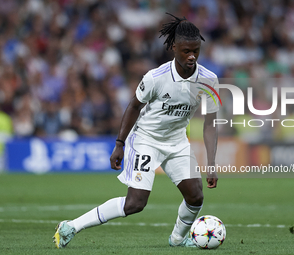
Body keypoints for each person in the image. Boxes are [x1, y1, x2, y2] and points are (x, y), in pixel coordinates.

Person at [53, 13, 219, 249]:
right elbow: (133, 106)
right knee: (135, 204)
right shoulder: (155, 78)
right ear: (174, 48)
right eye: (186, 51)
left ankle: (178, 239)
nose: (192, 56)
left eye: (196, 50)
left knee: (196, 196)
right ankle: (71, 226)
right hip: (146, 140)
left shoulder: (209, 80)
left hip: (177, 141)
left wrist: (211, 162)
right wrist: (120, 144)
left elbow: (210, 122)